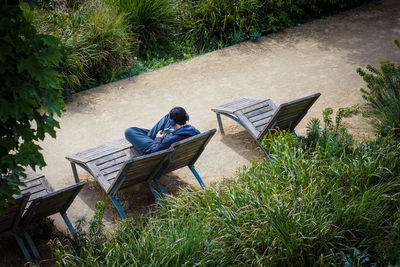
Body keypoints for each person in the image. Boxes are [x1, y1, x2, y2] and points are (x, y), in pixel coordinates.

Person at [124, 107, 200, 155]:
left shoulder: (170, 139)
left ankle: (148, 137)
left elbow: (154, 150)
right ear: (186, 118)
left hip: (153, 149)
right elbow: (177, 137)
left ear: (172, 123)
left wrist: (158, 138)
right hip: (172, 147)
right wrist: (174, 133)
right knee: (169, 115)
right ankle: (148, 137)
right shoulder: (195, 132)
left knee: (129, 131)